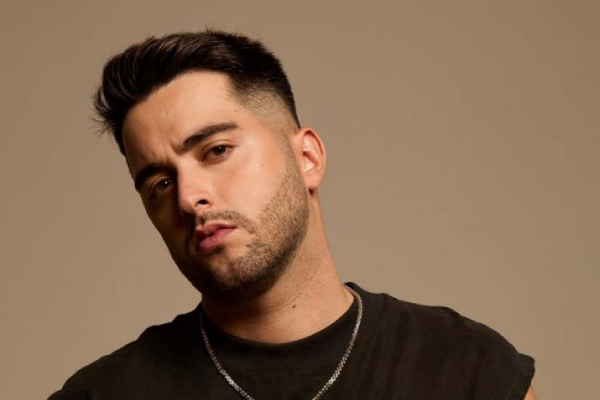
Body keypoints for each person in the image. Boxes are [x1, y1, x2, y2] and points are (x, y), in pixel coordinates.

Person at [49, 30, 536, 400]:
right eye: (160, 183)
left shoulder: (468, 370)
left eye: (216, 150)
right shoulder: (103, 394)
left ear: (307, 158)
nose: (189, 197)